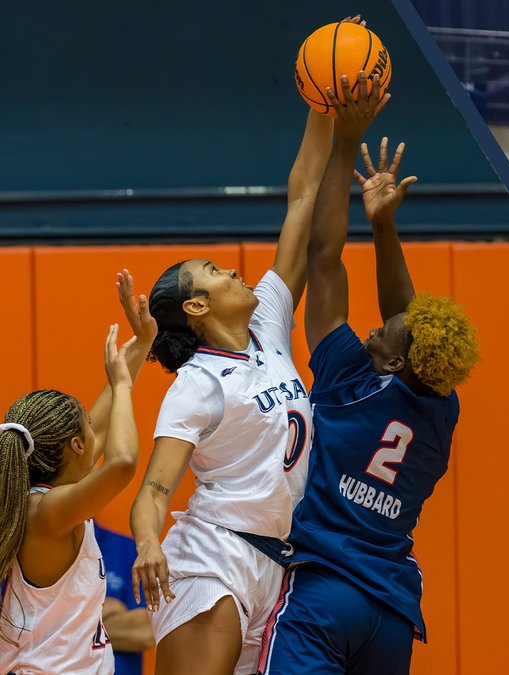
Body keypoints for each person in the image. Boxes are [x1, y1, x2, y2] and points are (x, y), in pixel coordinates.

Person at [128, 82, 339, 673]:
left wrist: (320, 107)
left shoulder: (269, 325)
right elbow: (153, 490)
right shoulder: (195, 384)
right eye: (215, 272)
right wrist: (148, 543)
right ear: (196, 308)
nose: (232, 271)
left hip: (281, 564)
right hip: (214, 557)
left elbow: (300, 199)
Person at [257, 116, 480, 672]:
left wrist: (347, 141)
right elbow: (408, 318)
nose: (376, 326)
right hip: (392, 609)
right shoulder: (440, 409)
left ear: (397, 360)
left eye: (384, 330)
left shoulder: (347, 383)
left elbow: (324, 257)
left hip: (325, 592)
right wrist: (383, 226)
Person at [0, 283, 149, 674]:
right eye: (89, 430)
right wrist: (122, 386)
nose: (96, 431)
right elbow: (122, 463)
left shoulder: (48, 500)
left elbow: (102, 424)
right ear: (77, 446)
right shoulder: (46, 511)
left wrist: (144, 341)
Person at [95, 524, 154, 675]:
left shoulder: (126, 549)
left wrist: (72, 625)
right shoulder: (39, 547)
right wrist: (106, 611)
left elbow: (145, 631)